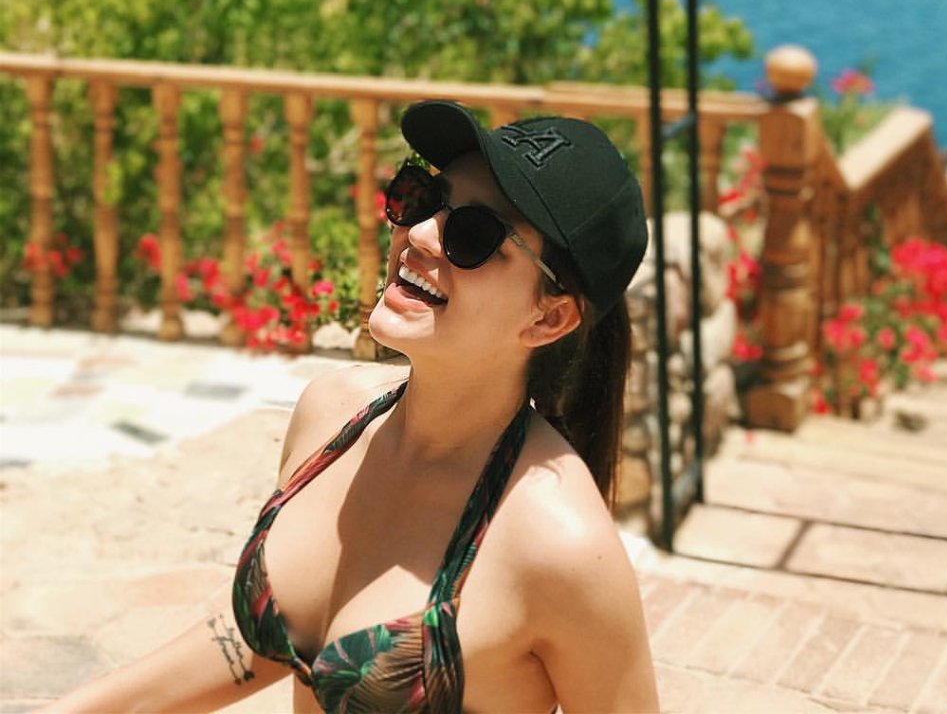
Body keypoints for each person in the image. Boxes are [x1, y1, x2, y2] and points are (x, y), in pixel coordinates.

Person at [49, 100, 660, 714]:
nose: (419, 234)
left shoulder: (557, 543)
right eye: (422, 198)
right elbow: (280, 642)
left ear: (548, 318)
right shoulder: (331, 415)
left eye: (474, 234)